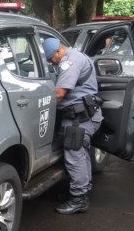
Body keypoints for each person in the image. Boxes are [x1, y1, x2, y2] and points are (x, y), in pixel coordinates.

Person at [43, 37, 103, 214]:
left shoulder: (69, 62)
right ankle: (82, 191)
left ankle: (79, 199)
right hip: (85, 116)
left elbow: (60, 93)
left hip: (79, 119)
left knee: (75, 157)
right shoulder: (76, 56)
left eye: (50, 59)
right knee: (81, 155)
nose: (50, 63)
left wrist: (39, 104)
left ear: (58, 52)